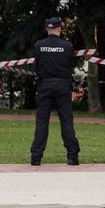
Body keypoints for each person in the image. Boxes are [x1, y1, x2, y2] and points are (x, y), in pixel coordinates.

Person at [30, 17, 80, 166]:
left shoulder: (39, 46)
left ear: (47, 29)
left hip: (44, 85)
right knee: (66, 120)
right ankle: (72, 156)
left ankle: (36, 157)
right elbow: (70, 65)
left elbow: (36, 66)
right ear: (59, 29)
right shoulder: (68, 46)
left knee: (42, 121)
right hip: (63, 86)